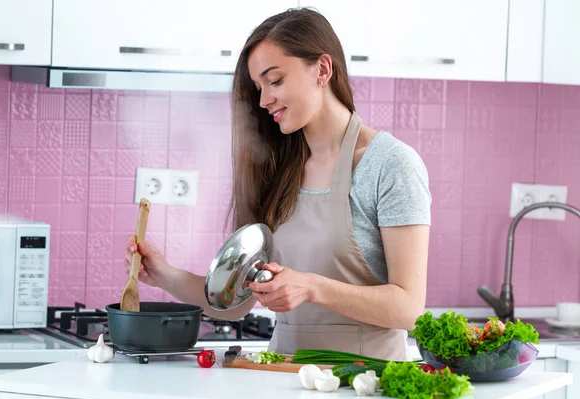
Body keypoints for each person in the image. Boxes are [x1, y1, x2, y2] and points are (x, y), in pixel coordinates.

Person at [125, 7, 431, 361]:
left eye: (275, 81)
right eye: (258, 87)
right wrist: (165, 276)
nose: (263, 100)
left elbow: (409, 308)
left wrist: (311, 287)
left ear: (322, 69)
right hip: (282, 378)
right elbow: (236, 305)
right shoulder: (278, 168)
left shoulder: (390, 165)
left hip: (366, 381)